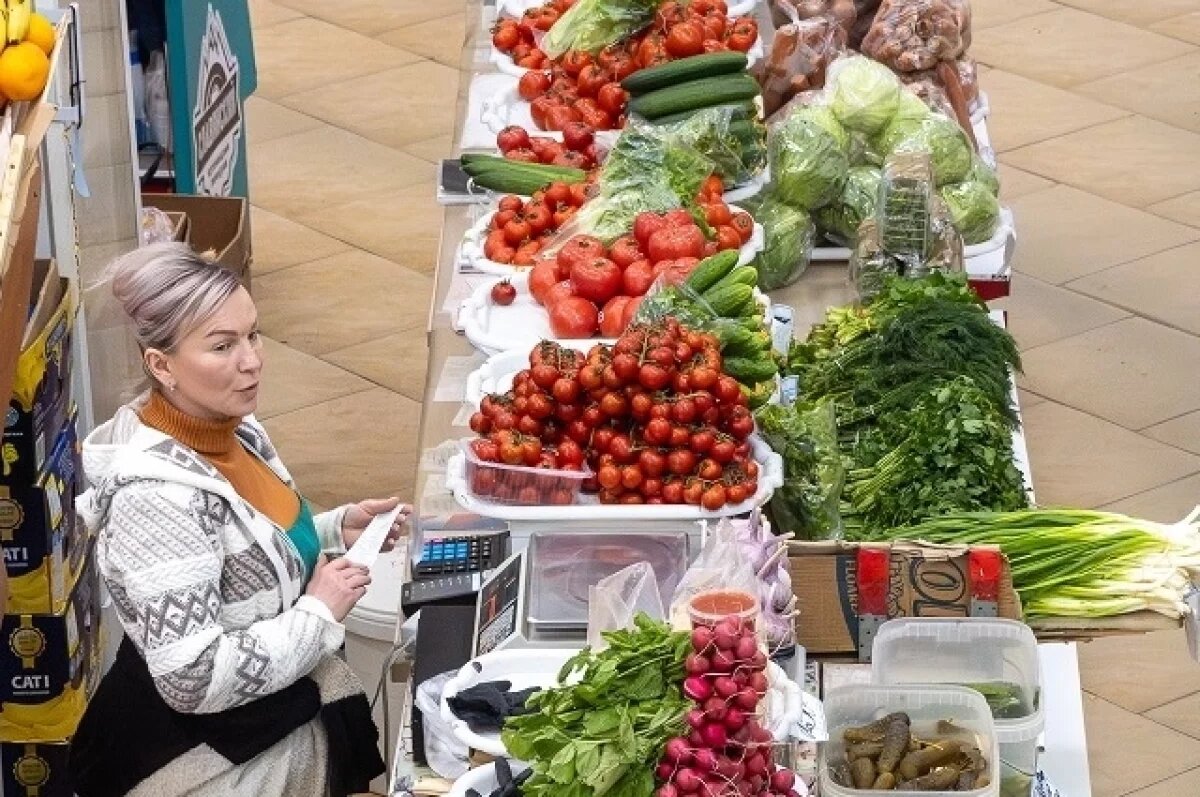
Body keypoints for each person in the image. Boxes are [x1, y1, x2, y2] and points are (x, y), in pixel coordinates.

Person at [68, 243, 409, 796]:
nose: (251, 361)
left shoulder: (234, 428)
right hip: (219, 764)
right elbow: (192, 677)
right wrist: (319, 612)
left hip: (271, 720)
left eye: (252, 335)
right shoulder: (155, 501)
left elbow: (241, 547)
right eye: (222, 346)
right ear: (161, 365)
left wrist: (331, 530)